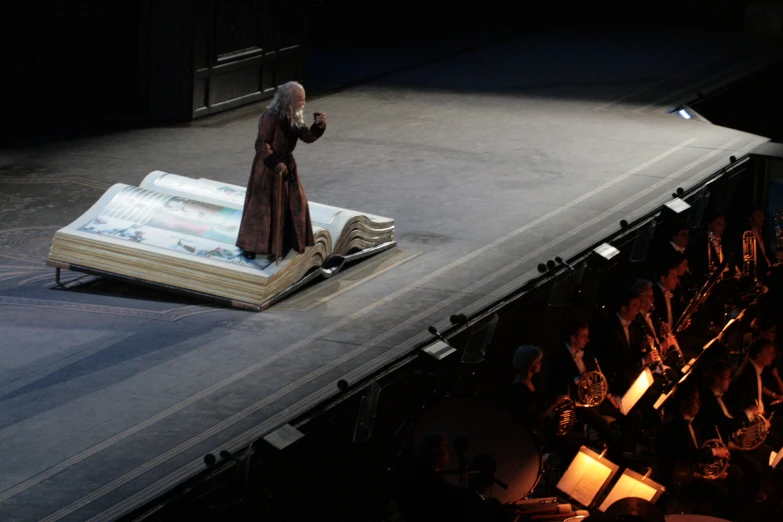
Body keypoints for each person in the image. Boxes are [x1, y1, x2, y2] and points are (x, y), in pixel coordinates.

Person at [236, 81, 327, 263]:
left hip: (287, 165)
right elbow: (261, 144)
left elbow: (306, 137)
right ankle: (252, 245)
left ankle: (287, 241)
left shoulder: (295, 115)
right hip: (268, 168)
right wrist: (275, 162)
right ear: (289, 99)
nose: (303, 102)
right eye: (300, 99)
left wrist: (318, 126)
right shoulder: (270, 116)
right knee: (262, 208)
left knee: (295, 203)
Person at [653, 383, 746, 521]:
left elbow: (697, 450)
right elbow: (687, 455)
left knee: (735, 472)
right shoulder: (672, 426)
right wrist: (713, 453)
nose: (699, 403)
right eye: (695, 400)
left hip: (693, 468)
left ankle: (735, 515)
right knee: (720, 491)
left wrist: (716, 470)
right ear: (683, 403)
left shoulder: (692, 420)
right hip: (680, 478)